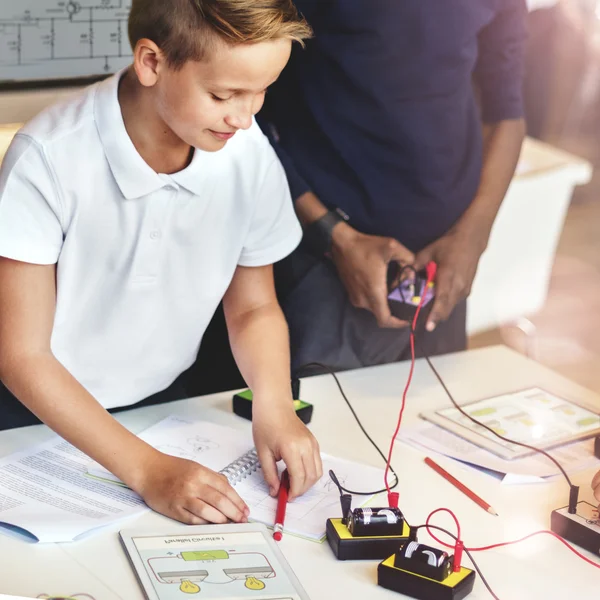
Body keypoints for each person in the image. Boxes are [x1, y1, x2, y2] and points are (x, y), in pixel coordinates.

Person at [0, 0, 322, 526]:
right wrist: (147, 472)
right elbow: (22, 355)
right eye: (223, 94)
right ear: (152, 63)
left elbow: (254, 308)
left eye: (261, 91)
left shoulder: (247, 153)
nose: (244, 116)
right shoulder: (50, 156)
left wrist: (275, 405)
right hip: (35, 420)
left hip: (163, 410)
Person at [258, 0, 527, 374]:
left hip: (442, 271)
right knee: (316, 427)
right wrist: (335, 237)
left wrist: (472, 235)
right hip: (323, 264)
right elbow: (247, 114)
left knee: (428, 426)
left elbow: (507, 115)